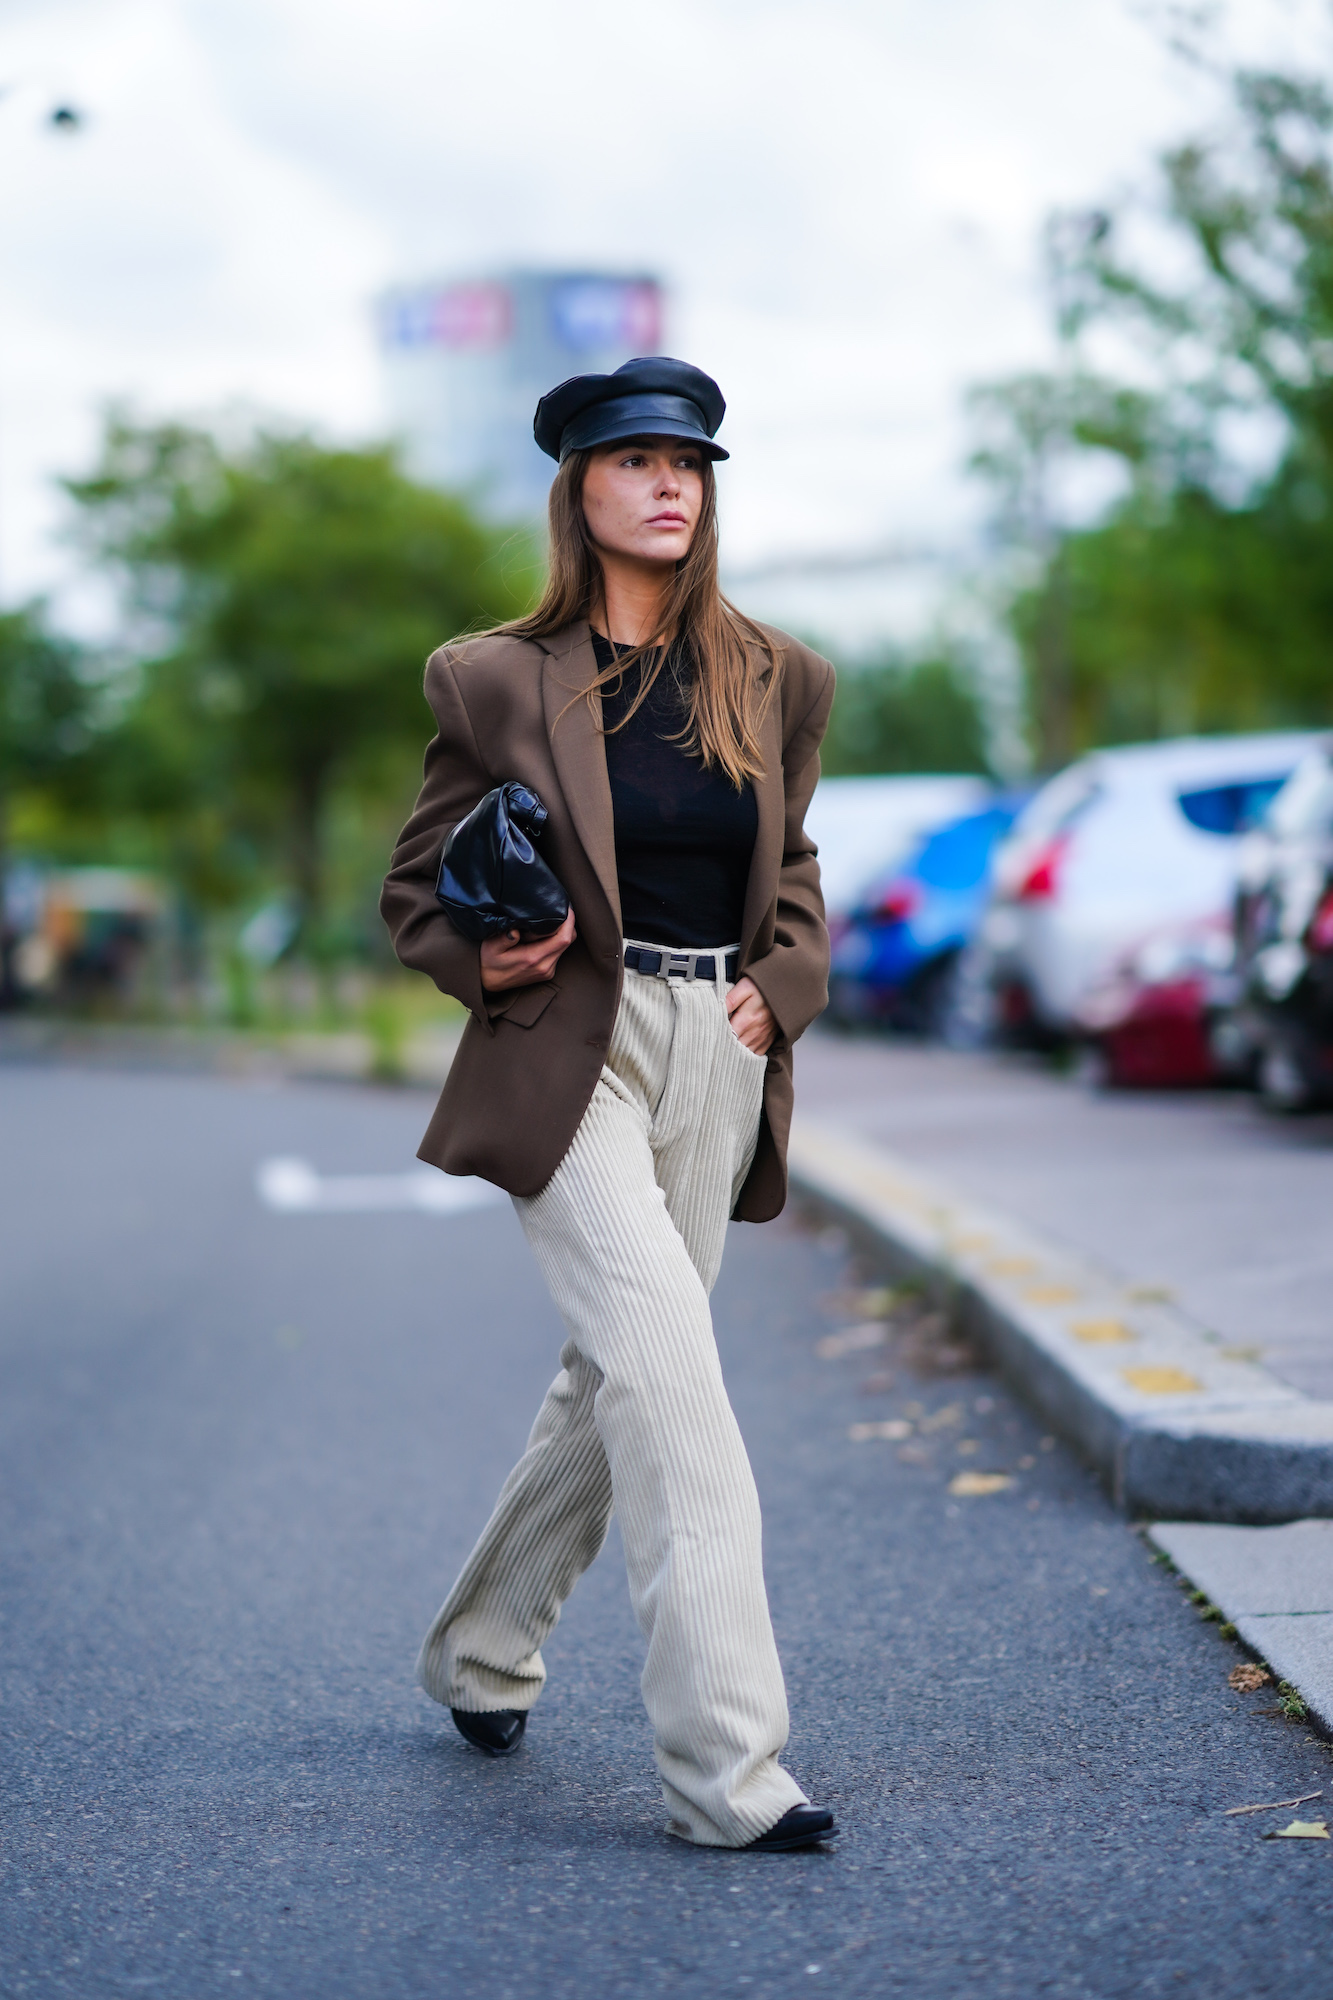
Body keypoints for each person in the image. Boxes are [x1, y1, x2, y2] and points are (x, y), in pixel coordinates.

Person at [381, 356, 837, 1851]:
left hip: (718, 1038)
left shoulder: (775, 674)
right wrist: (485, 953)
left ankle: (479, 1648)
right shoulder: (493, 676)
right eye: (636, 459)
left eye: (690, 464)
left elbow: (793, 869)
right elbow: (415, 888)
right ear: (578, 489)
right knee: (675, 1394)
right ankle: (729, 1776)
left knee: (620, 1372)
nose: (668, 483)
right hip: (565, 1044)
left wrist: (784, 984)